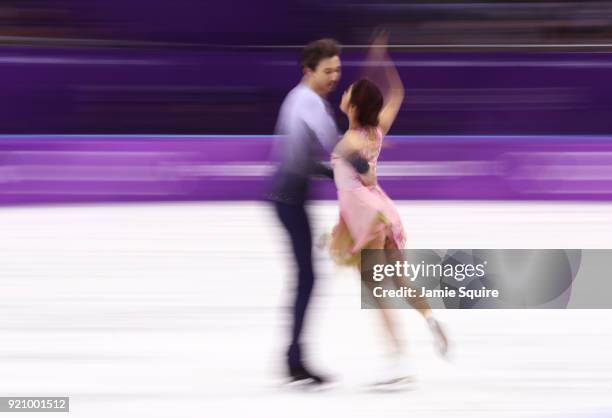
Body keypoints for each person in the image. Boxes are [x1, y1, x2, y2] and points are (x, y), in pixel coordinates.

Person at [327, 32, 449, 385]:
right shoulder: (376, 131)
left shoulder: (349, 140)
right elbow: (397, 94)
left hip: (366, 216)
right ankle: (430, 320)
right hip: (382, 211)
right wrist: (382, 59)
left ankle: (397, 361)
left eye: (349, 90)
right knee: (398, 279)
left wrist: (362, 169)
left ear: (353, 105)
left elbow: (365, 176)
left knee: (374, 290)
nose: (344, 91)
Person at [269, 38, 342, 386]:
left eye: (338, 70)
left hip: (290, 197)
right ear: (308, 71)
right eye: (328, 71)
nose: (334, 77)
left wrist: (333, 173)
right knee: (307, 278)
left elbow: (304, 159)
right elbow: (336, 146)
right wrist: (363, 162)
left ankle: (294, 356)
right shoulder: (310, 102)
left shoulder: (298, 98)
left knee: (306, 278)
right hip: (289, 199)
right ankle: (294, 358)